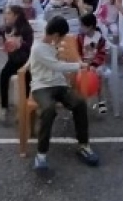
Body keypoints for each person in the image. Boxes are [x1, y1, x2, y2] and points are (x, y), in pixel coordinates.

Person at [28, 15, 101, 172]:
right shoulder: (38, 48)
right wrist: (80, 66)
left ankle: (84, 145)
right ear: (55, 35)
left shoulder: (52, 43)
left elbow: (61, 66)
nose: (62, 40)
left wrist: (77, 62)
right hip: (41, 87)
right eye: (61, 37)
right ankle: (41, 155)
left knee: (79, 103)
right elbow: (57, 66)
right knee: (48, 109)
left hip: (59, 84)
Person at [0, 5, 36, 120]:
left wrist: (20, 43)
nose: (6, 16)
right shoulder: (6, 28)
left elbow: (30, 46)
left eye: (9, 13)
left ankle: (25, 107)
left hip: (25, 60)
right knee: (4, 76)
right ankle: (4, 107)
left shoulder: (26, 28)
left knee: (27, 78)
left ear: (16, 15)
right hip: (13, 60)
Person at [78, 13, 109, 114]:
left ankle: (101, 102)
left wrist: (94, 65)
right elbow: (77, 52)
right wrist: (81, 63)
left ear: (90, 26)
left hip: (97, 64)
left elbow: (102, 54)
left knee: (99, 77)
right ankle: (82, 102)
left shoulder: (100, 39)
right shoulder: (80, 37)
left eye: (82, 25)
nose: (80, 27)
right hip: (83, 63)